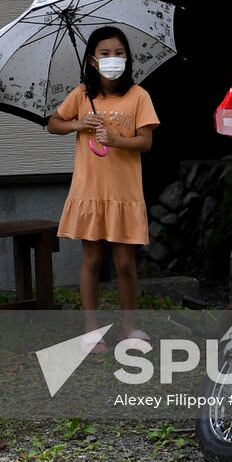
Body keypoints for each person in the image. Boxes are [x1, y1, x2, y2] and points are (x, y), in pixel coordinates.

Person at [47, 26, 159, 351]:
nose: (113, 59)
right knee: (92, 260)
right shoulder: (82, 94)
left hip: (124, 193)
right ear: (93, 61)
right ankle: (91, 330)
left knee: (125, 263)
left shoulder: (139, 96)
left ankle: (130, 329)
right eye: (106, 54)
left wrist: (116, 140)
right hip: (89, 191)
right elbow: (53, 124)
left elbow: (146, 142)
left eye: (119, 53)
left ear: (128, 57)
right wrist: (78, 124)